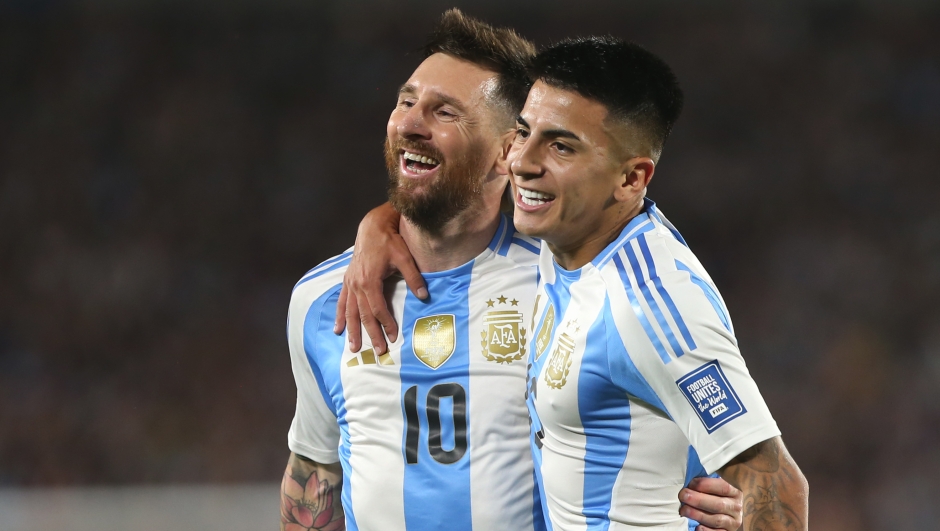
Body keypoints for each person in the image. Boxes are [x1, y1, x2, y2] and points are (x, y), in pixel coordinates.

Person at [286, 9, 745, 531]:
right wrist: (378, 224)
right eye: (407, 101)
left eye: (445, 113)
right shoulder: (323, 298)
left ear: (509, 148)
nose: (411, 123)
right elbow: (313, 470)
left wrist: (732, 503)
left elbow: (686, 433)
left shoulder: (568, 285)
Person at [509, 38, 809, 529]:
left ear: (631, 179)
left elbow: (775, 486)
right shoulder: (565, 227)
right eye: (524, 133)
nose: (522, 161)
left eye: (561, 145)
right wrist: (379, 228)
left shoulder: (648, 305)